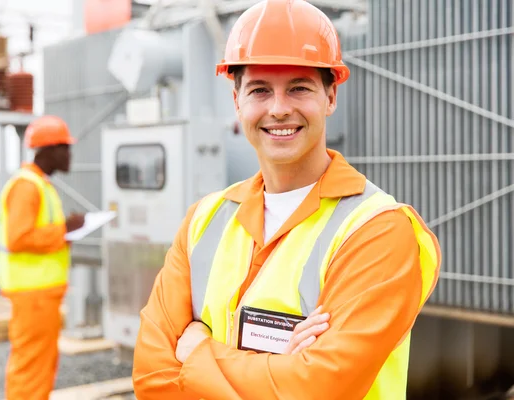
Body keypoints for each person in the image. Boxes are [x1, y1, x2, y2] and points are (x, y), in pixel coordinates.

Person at [132, 0, 442, 399]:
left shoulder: (377, 230)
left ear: (330, 97)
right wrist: (281, 368)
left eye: (299, 88)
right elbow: (151, 376)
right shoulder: (204, 220)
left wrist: (196, 352)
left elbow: (318, 390)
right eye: (260, 90)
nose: (279, 109)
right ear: (237, 102)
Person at [0, 115, 85, 400]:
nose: (70, 154)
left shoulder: (40, 184)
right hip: (33, 295)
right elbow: (19, 237)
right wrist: (65, 230)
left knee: (41, 367)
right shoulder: (27, 186)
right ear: (47, 150)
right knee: (31, 369)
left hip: (40, 294)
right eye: (65, 147)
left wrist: (65, 231)